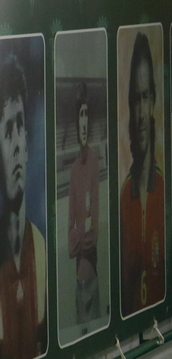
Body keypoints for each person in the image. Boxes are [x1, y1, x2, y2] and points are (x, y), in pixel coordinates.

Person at [0, 53, 46, 359]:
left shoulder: (41, 247)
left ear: (28, 144)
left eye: (20, 127)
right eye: (6, 132)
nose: (16, 144)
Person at [120, 31, 165, 313]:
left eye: (145, 96)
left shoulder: (163, 188)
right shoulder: (125, 197)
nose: (140, 111)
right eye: (135, 99)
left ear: (153, 103)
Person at [66, 83, 102, 322]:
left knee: (92, 312)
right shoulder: (73, 171)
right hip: (79, 256)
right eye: (81, 114)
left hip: (90, 256)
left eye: (87, 115)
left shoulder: (94, 163)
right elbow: (71, 226)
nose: (84, 122)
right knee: (82, 316)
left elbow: (93, 227)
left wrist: (82, 235)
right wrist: (80, 235)